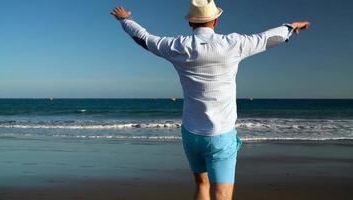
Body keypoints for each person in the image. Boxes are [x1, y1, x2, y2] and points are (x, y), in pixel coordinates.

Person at [111, 1, 310, 199]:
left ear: (190, 23)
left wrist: (125, 19)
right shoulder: (233, 44)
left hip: (192, 133)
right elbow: (268, 38)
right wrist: (291, 26)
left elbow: (144, 39)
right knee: (222, 193)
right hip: (221, 135)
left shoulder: (177, 46)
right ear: (215, 21)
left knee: (201, 185)